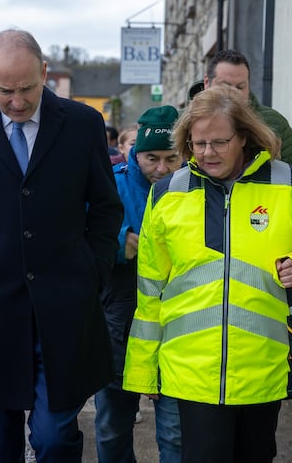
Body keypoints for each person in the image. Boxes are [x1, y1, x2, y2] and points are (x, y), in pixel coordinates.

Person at [0, 28, 123, 462]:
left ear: (45, 72)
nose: (17, 101)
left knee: (54, 439)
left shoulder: (82, 124)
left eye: (27, 88)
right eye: (4, 91)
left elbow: (107, 208)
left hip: (65, 310)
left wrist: (93, 269)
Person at [123, 86, 292, 462]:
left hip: (263, 369)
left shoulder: (291, 187)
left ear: (244, 136)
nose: (207, 153)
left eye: (219, 142)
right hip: (191, 374)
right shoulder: (167, 196)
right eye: (198, 142)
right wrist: (144, 371)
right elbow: (150, 291)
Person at [94, 105, 183, 463]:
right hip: (119, 308)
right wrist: (119, 241)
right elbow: (83, 228)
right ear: (135, 153)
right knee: (113, 420)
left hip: (176, 312)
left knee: (176, 429)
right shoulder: (111, 182)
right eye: (151, 158)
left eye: (170, 158)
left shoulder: (192, 188)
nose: (161, 168)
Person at [189, 49, 292, 171]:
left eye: (240, 87)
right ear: (207, 82)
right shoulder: (181, 122)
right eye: (225, 86)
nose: (233, 93)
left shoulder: (274, 123)